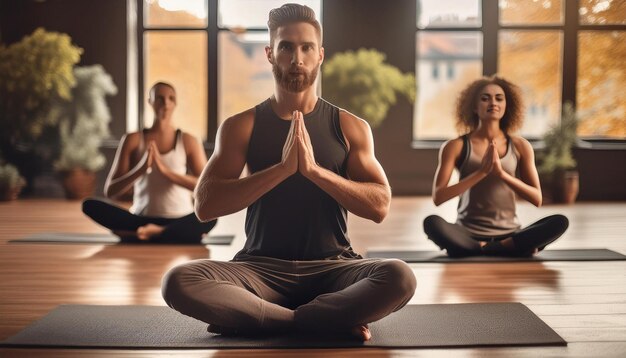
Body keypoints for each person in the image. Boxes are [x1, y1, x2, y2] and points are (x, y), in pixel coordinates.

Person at [161, 4, 416, 341]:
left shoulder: (349, 126)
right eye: (286, 47)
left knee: (400, 277)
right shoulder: (241, 126)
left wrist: (313, 171)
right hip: (259, 270)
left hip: (334, 268)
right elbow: (205, 205)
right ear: (270, 53)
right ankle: (316, 320)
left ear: (320, 55)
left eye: (306, 47)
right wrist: (281, 170)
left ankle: (258, 318)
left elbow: (380, 206)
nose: (297, 58)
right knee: (178, 281)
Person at [423, 75, 569, 257]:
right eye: (485, 98)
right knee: (431, 223)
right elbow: (439, 197)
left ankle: (487, 247)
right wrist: (481, 172)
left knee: (559, 222)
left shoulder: (520, 146)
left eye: (499, 98)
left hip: (509, 233)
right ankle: (502, 248)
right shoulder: (456, 146)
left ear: (506, 106)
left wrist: (501, 174)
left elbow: (536, 198)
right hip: (467, 232)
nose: (493, 102)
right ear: (474, 107)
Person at [82, 82, 217, 243]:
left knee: (213, 216)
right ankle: (165, 233)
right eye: (159, 98)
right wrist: (141, 169)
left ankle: (150, 233)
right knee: (89, 205)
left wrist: (167, 172)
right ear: (150, 102)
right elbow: (111, 191)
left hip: (180, 218)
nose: (165, 103)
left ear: (175, 103)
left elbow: (207, 188)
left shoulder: (188, 140)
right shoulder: (133, 139)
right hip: (141, 218)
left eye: (170, 98)